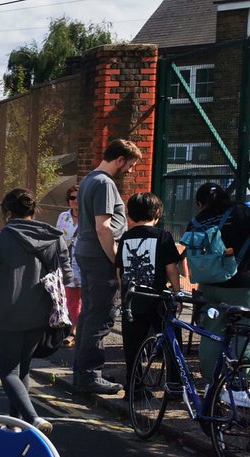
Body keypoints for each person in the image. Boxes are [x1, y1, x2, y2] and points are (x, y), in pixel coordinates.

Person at [0, 189, 66, 435]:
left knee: (7, 372)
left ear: (7, 213)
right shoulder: (54, 238)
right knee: (22, 369)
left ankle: (33, 418)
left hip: (8, 315)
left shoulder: (0, 240)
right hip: (40, 315)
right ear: (33, 211)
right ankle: (16, 424)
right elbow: (65, 274)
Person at [73, 139, 143, 394]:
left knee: (89, 314)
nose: (131, 171)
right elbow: (104, 228)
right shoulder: (104, 183)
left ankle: (81, 373)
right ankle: (90, 375)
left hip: (87, 253)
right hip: (100, 257)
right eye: (131, 165)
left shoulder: (89, 180)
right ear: (120, 160)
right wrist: (117, 261)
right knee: (101, 317)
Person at [185, 182, 250, 381]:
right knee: (244, 332)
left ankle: (211, 383)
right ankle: (241, 383)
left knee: (211, 332)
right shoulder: (242, 212)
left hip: (210, 286)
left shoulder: (196, 221)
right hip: (242, 286)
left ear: (199, 202)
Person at [118, 192, 181, 384]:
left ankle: (133, 387)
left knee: (133, 346)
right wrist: (177, 293)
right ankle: (174, 383)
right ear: (157, 214)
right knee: (171, 340)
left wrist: (123, 294)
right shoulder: (163, 236)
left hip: (132, 298)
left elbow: (120, 271)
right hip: (158, 298)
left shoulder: (125, 238)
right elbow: (171, 269)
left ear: (130, 214)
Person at [56, 184, 82, 347]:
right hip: (66, 263)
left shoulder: (91, 217)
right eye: (72, 198)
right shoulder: (63, 217)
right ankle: (74, 328)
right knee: (71, 300)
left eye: (78, 198)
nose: (75, 201)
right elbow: (57, 238)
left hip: (84, 263)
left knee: (84, 300)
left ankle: (75, 331)